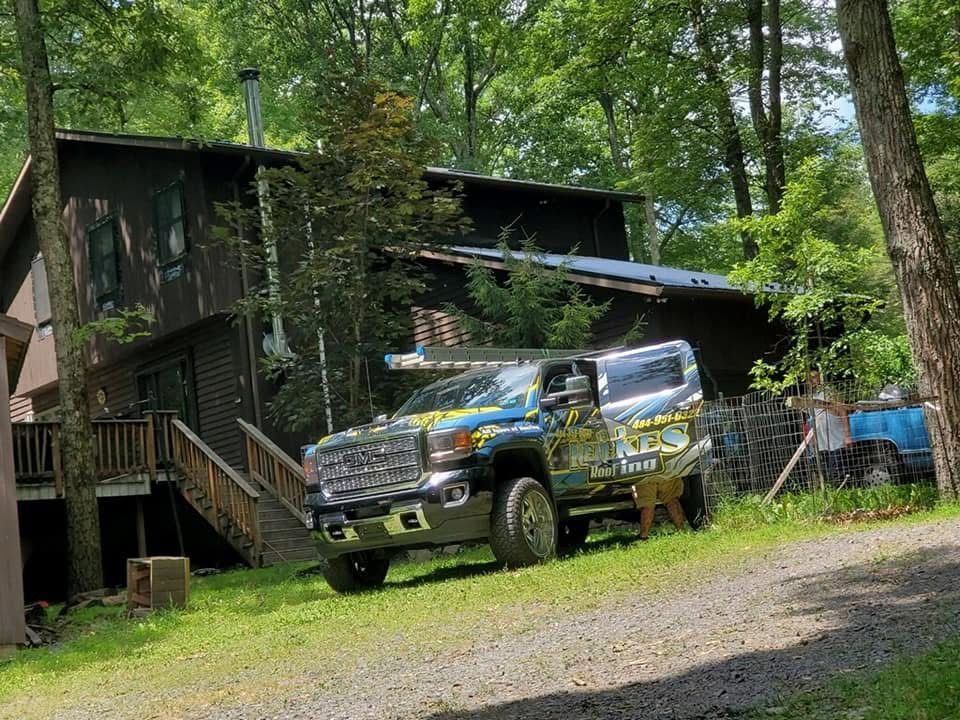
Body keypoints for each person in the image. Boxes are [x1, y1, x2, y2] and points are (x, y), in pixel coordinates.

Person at [807, 369, 852, 483]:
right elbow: (812, 419)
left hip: (835, 439)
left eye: (815, 376)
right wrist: (813, 438)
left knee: (839, 469)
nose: (813, 380)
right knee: (828, 470)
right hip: (822, 441)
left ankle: (844, 488)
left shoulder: (829, 392)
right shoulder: (810, 396)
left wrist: (847, 436)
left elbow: (842, 411)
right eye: (810, 378)